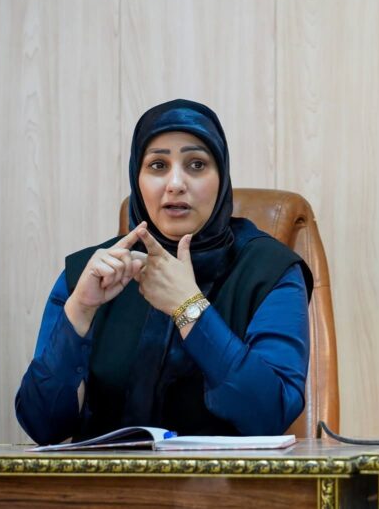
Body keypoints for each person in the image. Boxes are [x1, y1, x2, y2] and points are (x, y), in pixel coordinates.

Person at [16, 99, 311, 444]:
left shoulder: (270, 272)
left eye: (196, 164)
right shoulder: (90, 274)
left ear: (221, 177)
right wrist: (79, 310)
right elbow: (41, 426)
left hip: (227, 477)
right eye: (157, 165)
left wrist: (189, 308)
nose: (175, 183)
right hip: (105, 478)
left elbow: (269, 414)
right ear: (137, 179)